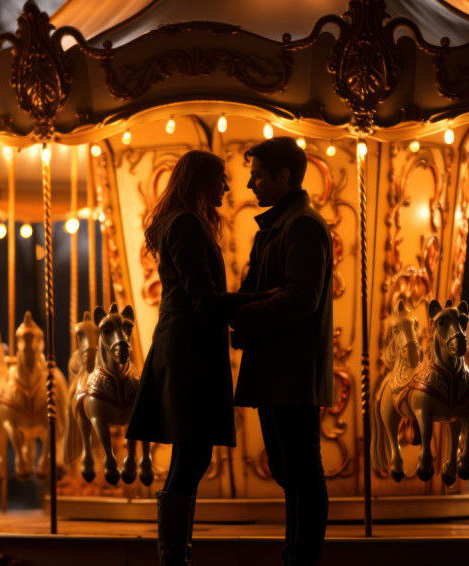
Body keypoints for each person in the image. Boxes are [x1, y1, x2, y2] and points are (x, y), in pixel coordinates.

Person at [127, 149, 264, 566]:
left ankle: (177, 554)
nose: (226, 186)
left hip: (190, 347)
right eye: (220, 178)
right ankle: (174, 557)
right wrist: (259, 301)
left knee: (194, 454)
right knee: (193, 453)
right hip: (189, 351)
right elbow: (201, 298)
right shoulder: (186, 224)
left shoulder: (186, 223)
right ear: (200, 180)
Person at [230, 137, 334, 565]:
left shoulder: (302, 225)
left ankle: (302, 557)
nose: (250, 183)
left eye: (257, 174)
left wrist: (243, 315)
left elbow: (301, 297)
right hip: (277, 368)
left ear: (283, 176)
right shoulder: (279, 225)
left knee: (301, 470)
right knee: (287, 468)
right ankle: (295, 553)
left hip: (291, 369)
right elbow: (263, 290)